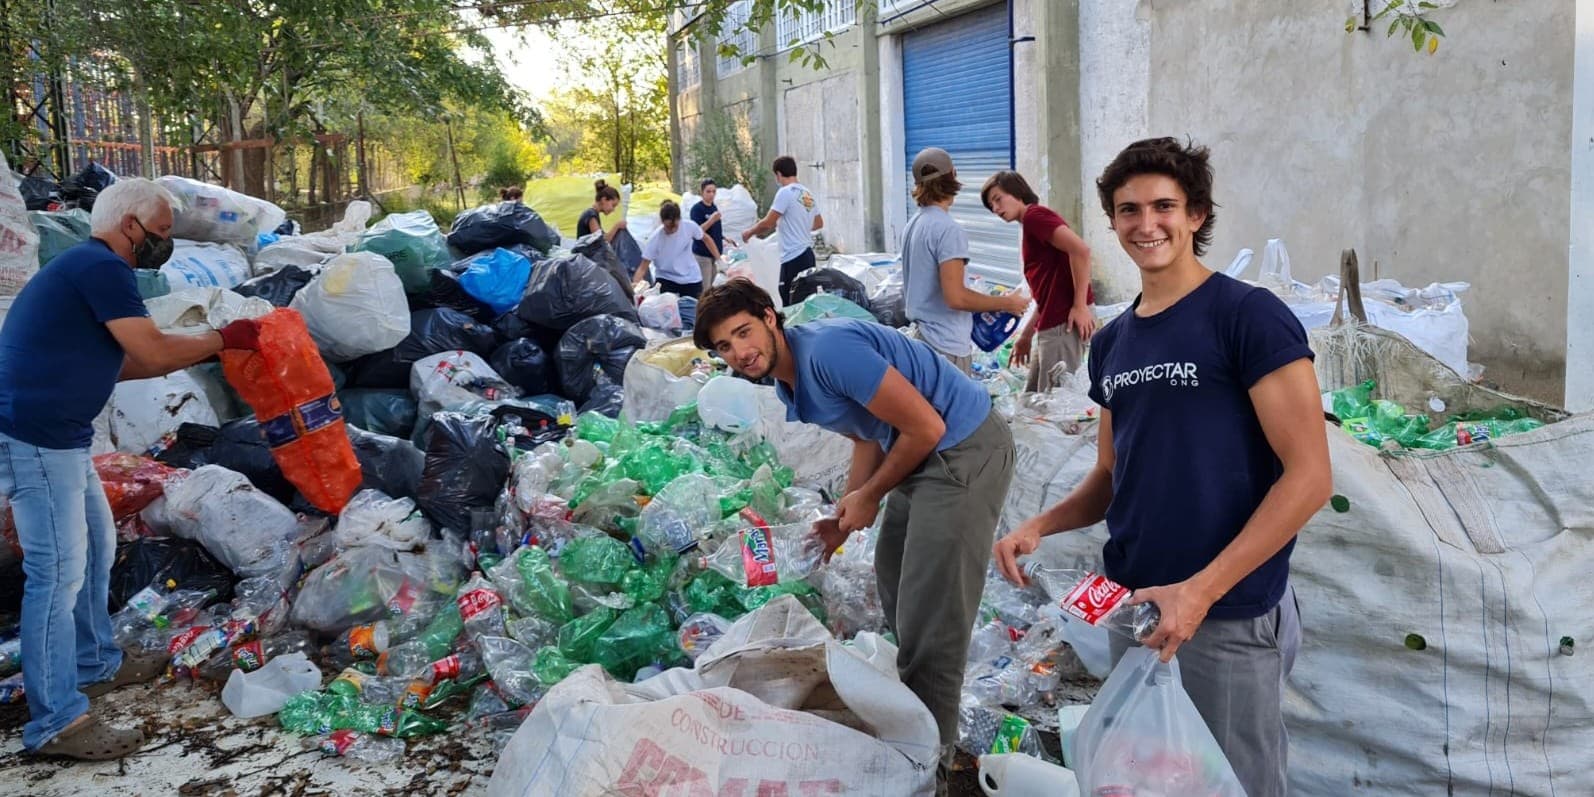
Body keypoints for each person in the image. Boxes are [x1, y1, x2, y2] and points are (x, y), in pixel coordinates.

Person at [992, 137, 1332, 797]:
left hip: (1225, 612)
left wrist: (1199, 590)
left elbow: (1310, 476)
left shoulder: (1247, 317)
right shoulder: (1115, 341)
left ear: (1197, 214)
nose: (1146, 224)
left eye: (1163, 206)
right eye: (1128, 210)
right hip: (1138, 605)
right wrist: (1041, 523)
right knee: (1154, 779)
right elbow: (1111, 475)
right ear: (1112, 222)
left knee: (1237, 783)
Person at [696, 278, 1014, 792]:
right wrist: (843, 520)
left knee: (932, 619)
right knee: (893, 581)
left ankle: (929, 768)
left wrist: (870, 496)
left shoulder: (828, 352)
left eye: (744, 332)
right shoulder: (789, 379)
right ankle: (917, 726)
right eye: (725, 347)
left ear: (770, 318)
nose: (740, 353)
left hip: (963, 451)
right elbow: (868, 433)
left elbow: (927, 428)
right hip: (921, 454)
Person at [0, 178, 263, 760]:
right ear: (130, 227)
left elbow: (120, 366)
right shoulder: (101, 268)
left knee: (96, 545)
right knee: (58, 574)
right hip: (38, 438)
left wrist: (213, 345)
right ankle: (55, 724)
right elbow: (151, 353)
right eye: (162, 232)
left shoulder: (89, 272)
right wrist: (222, 337)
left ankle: (96, 662)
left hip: (61, 436)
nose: (164, 243)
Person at [899, 147, 1028, 373]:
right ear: (953, 176)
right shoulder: (948, 230)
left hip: (922, 339)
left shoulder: (913, 225)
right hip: (945, 347)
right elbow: (956, 297)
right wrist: (1008, 303)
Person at [981, 170, 1096, 391]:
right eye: (991, 206)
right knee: (1033, 402)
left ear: (1017, 192)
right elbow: (1046, 293)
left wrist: (1080, 306)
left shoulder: (1035, 217)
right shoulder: (1030, 224)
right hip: (1051, 323)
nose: (995, 209)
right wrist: (1026, 334)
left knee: (1054, 406)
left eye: (998, 199)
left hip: (1063, 323)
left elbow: (1081, 250)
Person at [740, 155, 823, 304]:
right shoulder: (806, 194)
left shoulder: (785, 192)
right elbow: (818, 223)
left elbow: (768, 223)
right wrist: (798, 224)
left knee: (790, 300)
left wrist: (749, 233)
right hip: (807, 254)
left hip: (793, 256)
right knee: (806, 300)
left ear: (778, 174)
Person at [634, 200, 722, 299]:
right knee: (663, 309)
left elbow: (706, 239)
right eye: (668, 227)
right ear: (662, 222)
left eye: (674, 226)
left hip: (690, 277)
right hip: (665, 277)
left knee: (694, 309)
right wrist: (635, 287)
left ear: (679, 219)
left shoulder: (689, 226)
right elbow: (643, 267)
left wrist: (719, 259)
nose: (671, 230)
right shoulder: (655, 238)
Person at [689, 178, 725, 295]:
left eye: (714, 192)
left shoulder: (714, 207)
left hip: (714, 254)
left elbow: (715, 230)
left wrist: (724, 238)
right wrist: (711, 220)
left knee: (712, 286)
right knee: (705, 287)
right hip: (703, 254)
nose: (711, 195)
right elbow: (697, 231)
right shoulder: (697, 209)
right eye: (708, 191)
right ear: (702, 192)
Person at [577, 179, 626, 243]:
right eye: (613, 205)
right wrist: (617, 226)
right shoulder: (590, 215)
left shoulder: (593, 214)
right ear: (604, 199)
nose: (613, 209)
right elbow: (601, 241)